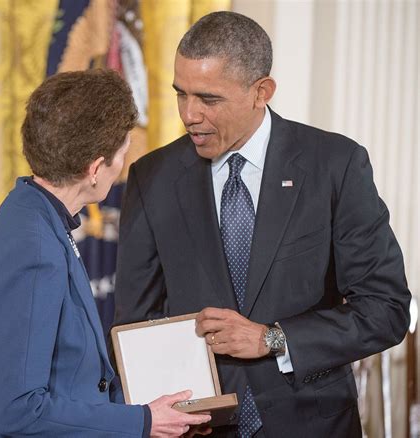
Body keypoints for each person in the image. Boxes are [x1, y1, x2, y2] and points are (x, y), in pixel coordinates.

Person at [113, 11, 411, 438]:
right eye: (181, 94)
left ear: (261, 92)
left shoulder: (334, 164)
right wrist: (165, 412)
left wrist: (273, 338)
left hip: (313, 424)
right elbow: (136, 324)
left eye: (208, 99)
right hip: (197, 428)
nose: (189, 114)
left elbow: (386, 310)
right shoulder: (152, 177)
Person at [0, 69, 210, 437]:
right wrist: (143, 421)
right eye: (123, 153)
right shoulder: (35, 246)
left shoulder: (34, 213)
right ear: (95, 169)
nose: (122, 166)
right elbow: (18, 410)